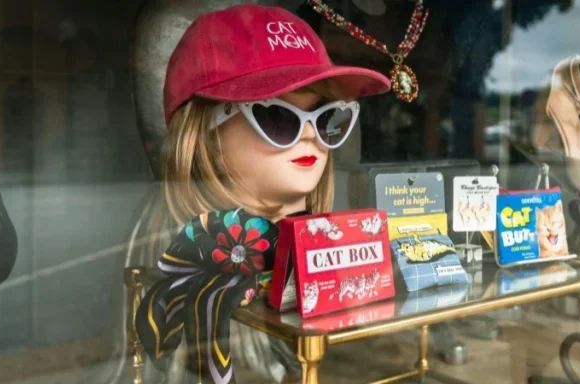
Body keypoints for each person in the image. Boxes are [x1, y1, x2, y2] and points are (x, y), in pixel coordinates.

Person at [130, 4, 390, 384]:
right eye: (276, 116)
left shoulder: (336, 243)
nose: (309, 135)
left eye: (328, 118)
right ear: (204, 135)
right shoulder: (186, 248)